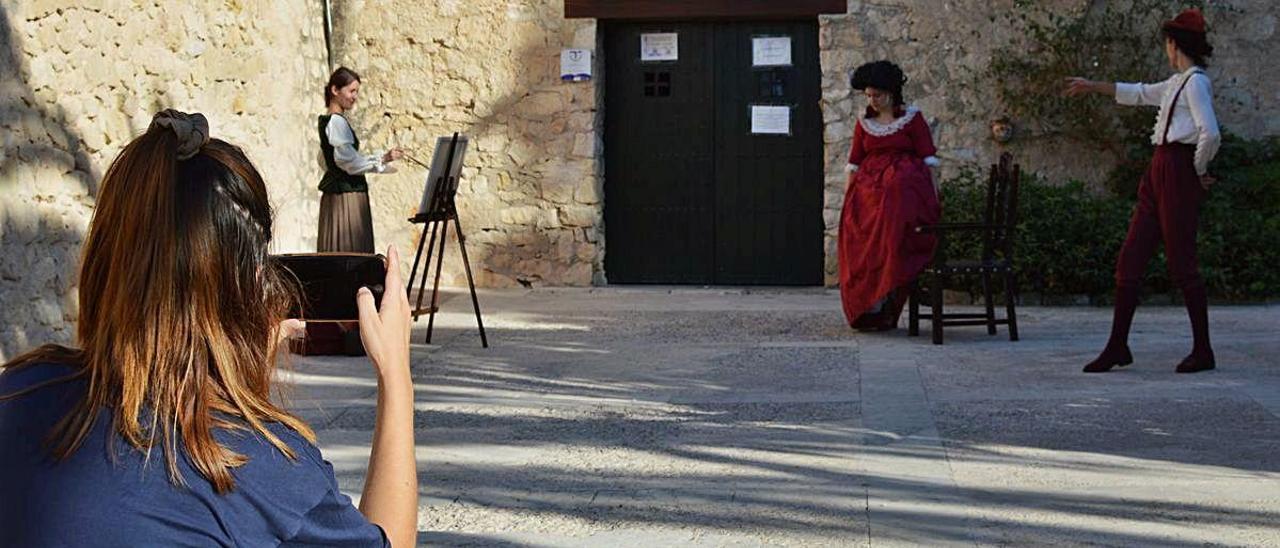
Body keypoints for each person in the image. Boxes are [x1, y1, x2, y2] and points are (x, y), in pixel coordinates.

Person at [0, 110, 418, 547]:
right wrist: (396, 376)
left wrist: (238, 372)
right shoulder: (259, 467)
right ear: (250, 287)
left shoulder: (22, 392)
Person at [1064, 8, 1221, 374]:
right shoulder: (1176, 83)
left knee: (1182, 263)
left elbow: (1209, 132)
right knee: (1130, 260)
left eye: (1167, 44)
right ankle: (1118, 345)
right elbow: (1138, 93)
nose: (1165, 50)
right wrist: (1093, 85)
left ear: (1173, 44)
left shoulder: (1196, 82)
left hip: (1177, 169)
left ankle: (1203, 350)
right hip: (1159, 171)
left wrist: (1197, 171)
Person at [840, 60, 942, 331]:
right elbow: (854, 163)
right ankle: (869, 306)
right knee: (862, 243)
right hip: (868, 198)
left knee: (893, 236)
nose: (873, 100)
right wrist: (849, 202)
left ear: (892, 93)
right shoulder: (864, 123)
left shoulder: (912, 119)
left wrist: (934, 199)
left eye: (878, 95)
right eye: (869, 95)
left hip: (903, 198)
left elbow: (929, 160)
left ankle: (888, 300)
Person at [311, 67, 404, 356]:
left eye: (356, 92)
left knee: (347, 256)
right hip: (345, 200)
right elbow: (347, 163)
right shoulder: (335, 123)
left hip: (345, 196)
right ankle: (348, 327)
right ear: (335, 90)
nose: (354, 97)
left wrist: (380, 162)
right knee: (348, 255)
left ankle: (350, 325)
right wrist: (382, 158)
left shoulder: (333, 122)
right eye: (351, 91)